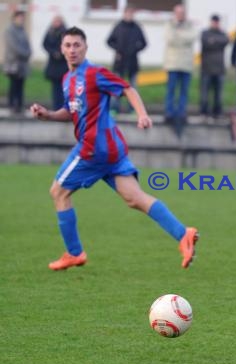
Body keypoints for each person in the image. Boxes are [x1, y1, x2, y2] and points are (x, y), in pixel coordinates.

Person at [29, 27, 199, 271]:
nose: (72, 50)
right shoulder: (68, 79)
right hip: (112, 151)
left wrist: (142, 115)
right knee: (135, 198)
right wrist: (48, 115)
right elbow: (71, 112)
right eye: (68, 45)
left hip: (92, 150)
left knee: (58, 192)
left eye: (77, 45)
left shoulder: (95, 73)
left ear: (86, 47)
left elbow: (127, 88)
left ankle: (74, 252)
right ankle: (183, 233)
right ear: (61, 49)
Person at [163, 4, 197, 134]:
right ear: (174, 13)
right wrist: (181, 37)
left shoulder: (190, 25)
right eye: (178, 13)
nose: (180, 15)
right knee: (171, 90)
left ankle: (181, 113)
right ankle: (169, 113)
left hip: (186, 64)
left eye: (182, 13)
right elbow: (169, 39)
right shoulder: (169, 25)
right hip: (172, 64)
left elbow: (192, 37)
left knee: (184, 91)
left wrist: (178, 36)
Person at [106, 6, 147, 113]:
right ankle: (114, 108)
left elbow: (144, 43)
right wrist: (117, 50)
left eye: (131, 14)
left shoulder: (137, 28)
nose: (129, 16)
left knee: (133, 88)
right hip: (120, 62)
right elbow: (109, 41)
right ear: (124, 14)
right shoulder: (118, 26)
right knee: (117, 86)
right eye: (127, 13)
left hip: (132, 62)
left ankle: (133, 108)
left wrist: (135, 50)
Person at [199, 14, 229, 121]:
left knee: (218, 94)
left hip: (219, 69)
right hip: (206, 69)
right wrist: (217, 42)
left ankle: (217, 112)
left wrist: (214, 41)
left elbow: (226, 41)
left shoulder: (222, 33)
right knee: (205, 93)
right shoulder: (205, 33)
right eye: (214, 21)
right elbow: (206, 43)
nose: (215, 23)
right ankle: (204, 112)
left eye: (217, 22)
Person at [3, 10, 31, 115]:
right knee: (13, 84)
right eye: (20, 18)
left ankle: (19, 105)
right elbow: (13, 46)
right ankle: (12, 105)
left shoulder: (23, 30)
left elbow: (27, 44)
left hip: (22, 64)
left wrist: (29, 52)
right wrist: (25, 53)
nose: (21, 20)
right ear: (14, 18)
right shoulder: (9, 30)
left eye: (23, 18)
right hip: (13, 63)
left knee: (20, 85)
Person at [43, 15, 68, 110]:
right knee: (55, 88)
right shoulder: (50, 32)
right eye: (55, 21)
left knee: (63, 87)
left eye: (58, 21)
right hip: (53, 64)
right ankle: (56, 107)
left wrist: (61, 53)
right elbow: (45, 44)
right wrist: (52, 52)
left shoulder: (65, 32)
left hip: (63, 64)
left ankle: (63, 107)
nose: (56, 23)